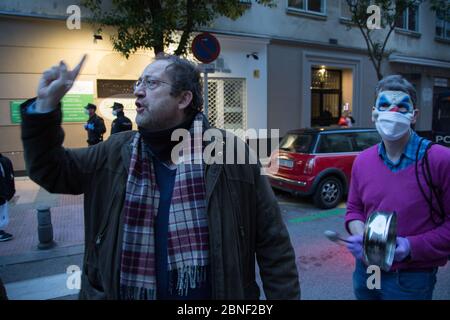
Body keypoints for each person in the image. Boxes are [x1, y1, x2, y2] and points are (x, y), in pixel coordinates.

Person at [20, 54, 300, 300]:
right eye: (138, 84)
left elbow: (273, 244)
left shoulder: (232, 155)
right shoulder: (115, 152)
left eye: (151, 84)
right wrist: (44, 109)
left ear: (183, 98)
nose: (138, 93)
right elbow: (50, 170)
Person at [345, 75, 450, 300]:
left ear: (414, 116)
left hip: (412, 277)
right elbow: (354, 209)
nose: (392, 113)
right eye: (384, 106)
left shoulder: (441, 161)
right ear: (374, 113)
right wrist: (362, 235)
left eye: (402, 107)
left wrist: (410, 246)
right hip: (367, 271)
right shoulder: (362, 161)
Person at [0, 153, 15, 242]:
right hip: (3, 193)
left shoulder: (4, 161)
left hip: (3, 193)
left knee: (2, 210)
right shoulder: (4, 160)